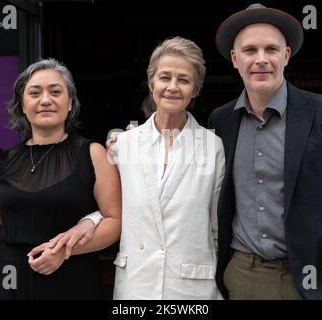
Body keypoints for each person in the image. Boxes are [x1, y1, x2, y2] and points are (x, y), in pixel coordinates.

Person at [209, 3, 322, 300]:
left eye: (271, 49)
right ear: (235, 59)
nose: (261, 60)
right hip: (241, 277)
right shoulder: (221, 121)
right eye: (250, 51)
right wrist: (126, 137)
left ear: (286, 56)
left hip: (315, 283)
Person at [0, 58, 121, 300]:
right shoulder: (3, 163)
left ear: (70, 103)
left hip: (72, 279)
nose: (45, 100)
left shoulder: (93, 154)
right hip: (11, 285)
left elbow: (115, 221)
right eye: (34, 93)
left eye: (55, 92)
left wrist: (64, 251)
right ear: (22, 105)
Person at [111, 36, 225, 299]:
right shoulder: (124, 145)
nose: (172, 87)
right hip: (135, 286)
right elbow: (110, 209)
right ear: (151, 83)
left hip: (192, 289)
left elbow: (217, 227)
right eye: (165, 77)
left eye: (183, 80)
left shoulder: (213, 147)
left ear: (195, 89)